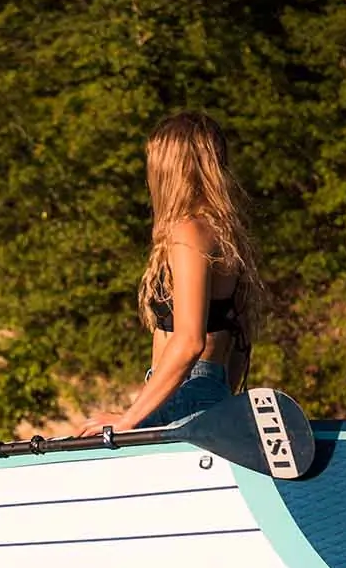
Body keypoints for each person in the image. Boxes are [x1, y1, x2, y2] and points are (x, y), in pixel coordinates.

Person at [77, 112, 266, 435]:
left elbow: (190, 341)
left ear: (172, 167)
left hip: (184, 395)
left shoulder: (189, 233)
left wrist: (127, 419)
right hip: (201, 393)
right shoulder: (223, 233)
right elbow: (238, 340)